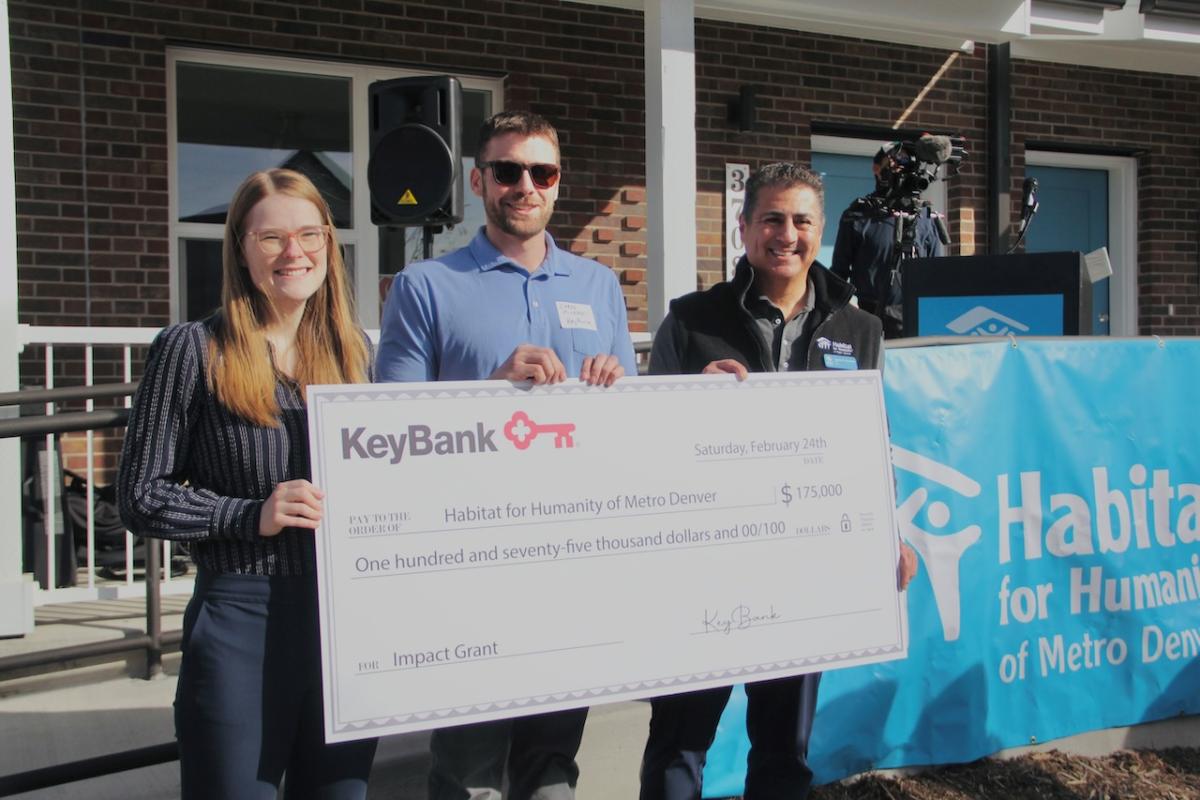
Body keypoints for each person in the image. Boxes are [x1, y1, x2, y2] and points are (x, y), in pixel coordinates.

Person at [376, 110, 637, 800]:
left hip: (574, 559)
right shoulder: (426, 287)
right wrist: (492, 389)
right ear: (477, 181)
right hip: (472, 564)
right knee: (469, 772)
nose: (526, 185)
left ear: (558, 184)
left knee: (552, 766)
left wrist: (616, 388)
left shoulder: (598, 285)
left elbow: (636, 426)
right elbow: (389, 428)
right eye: (508, 171)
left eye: (541, 172)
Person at [640, 162, 918, 800]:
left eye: (801, 220)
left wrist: (888, 535)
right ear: (743, 228)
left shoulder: (861, 330)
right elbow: (646, 446)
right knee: (678, 748)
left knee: (784, 756)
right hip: (701, 573)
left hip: (803, 575)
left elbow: (870, 449)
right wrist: (685, 399)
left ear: (819, 230)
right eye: (771, 218)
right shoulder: (690, 320)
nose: (785, 234)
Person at [118, 169, 378, 799]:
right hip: (242, 618)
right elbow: (140, 495)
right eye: (271, 239)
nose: (294, 253)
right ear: (240, 247)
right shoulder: (192, 349)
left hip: (344, 623)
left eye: (309, 234)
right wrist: (249, 514)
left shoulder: (355, 356)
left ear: (328, 244)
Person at [830, 147, 944, 338]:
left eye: (905, 165)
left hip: (915, 317)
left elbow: (936, 275)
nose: (900, 170)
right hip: (868, 316)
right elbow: (838, 273)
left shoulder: (925, 216)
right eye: (895, 164)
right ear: (876, 168)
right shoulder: (859, 214)